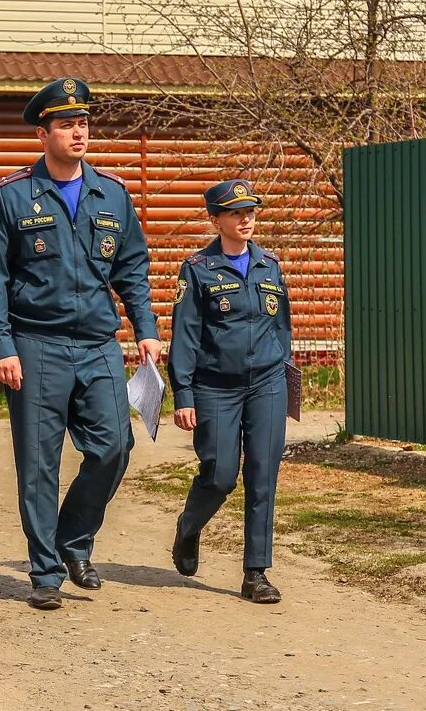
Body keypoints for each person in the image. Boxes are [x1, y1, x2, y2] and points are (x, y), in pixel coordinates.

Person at [0, 78, 161, 610]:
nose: (78, 132)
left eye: (82, 123)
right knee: (39, 462)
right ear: (43, 133)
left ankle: (73, 541)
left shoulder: (113, 193)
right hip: (35, 344)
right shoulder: (11, 196)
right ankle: (45, 572)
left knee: (114, 448)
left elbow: (132, 269)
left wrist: (145, 329)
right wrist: (0, 345)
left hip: (99, 343)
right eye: (66, 124)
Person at [167, 179, 293, 604]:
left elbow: (282, 327)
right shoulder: (198, 269)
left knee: (263, 474)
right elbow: (184, 336)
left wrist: (284, 373)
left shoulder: (269, 265)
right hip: (215, 387)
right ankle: (189, 526)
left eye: (251, 211)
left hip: (267, 385)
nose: (246, 218)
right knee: (220, 475)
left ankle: (255, 573)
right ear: (215, 219)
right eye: (236, 212)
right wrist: (183, 394)